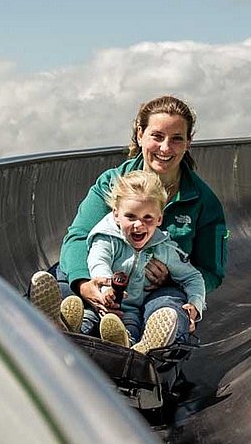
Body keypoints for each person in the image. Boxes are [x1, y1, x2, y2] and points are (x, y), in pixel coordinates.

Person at [29, 94, 228, 348]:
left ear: (188, 143)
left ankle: (143, 346)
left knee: (169, 309)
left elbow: (211, 271)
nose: (165, 148)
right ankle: (63, 323)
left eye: (176, 139)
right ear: (140, 134)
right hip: (102, 277)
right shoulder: (112, 183)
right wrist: (84, 283)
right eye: (157, 136)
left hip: (157, 291)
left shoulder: (203, 201)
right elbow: (78, 237)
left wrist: (172, 278)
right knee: (65, 281)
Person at [61, 169, 207, 351]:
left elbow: (192, 277)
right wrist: (106, 288)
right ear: (116, 214)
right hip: (99, 303)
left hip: (130, 311)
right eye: (130, 217)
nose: (139, 225)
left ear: (159, 218)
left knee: (131, 327)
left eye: (148, 218)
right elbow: (99, 261)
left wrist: (195, 304)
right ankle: (68, 329)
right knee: (88, 318)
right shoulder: (107, 237)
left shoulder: (163, 248)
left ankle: (135, 348)